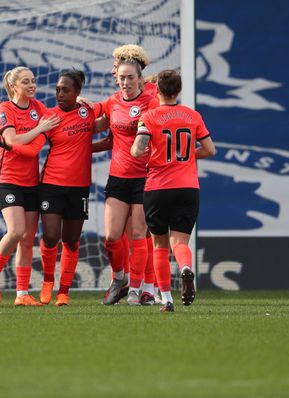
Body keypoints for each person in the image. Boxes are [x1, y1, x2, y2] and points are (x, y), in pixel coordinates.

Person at [0, 70, 102, 306]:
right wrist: (10, 147)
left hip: (79, 186)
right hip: (50, 184)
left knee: (72, 240)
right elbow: (32, 148)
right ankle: (46, 283)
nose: (60, 94)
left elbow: (105, 121)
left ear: (77, 93)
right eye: (57, 89)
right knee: (50, 236)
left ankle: (63, 292)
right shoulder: (48, 116)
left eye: (65, 90)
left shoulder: (86, 111)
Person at [131, 69, 215, 312]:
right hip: (188, 187)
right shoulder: (193, 116)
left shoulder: (149, 117)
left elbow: (138, 150)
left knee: (159, 244)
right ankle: (186, 268)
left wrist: (140, 148)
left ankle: (167, 299)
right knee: (180, 242)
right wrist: (187, 157)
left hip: (158, 187)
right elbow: (210, 149)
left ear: (156, 90)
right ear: (178, 91)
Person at [0, 66, 60, 306]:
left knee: (27, 239)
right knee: (16, 231)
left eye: (33, 81)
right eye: (26, 82)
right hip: (8, 180)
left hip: (31, 182)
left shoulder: (38, 107)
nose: (31, 85)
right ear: (13, 87)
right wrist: (39, 130)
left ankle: (21, 294)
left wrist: (80, 103)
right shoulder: (4, 109)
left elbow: (56, 119)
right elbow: (12, 140)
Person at [93, 44, 159, 304]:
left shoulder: (151, 102)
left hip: (144, 176)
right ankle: (119, 278)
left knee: (138, 234)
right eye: (121, 77)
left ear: (141, 78)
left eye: (130, 77)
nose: (125, 82)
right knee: (111, 236)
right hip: (118, 177)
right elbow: (96, 125)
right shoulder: (112, 102)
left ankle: (136, 288)